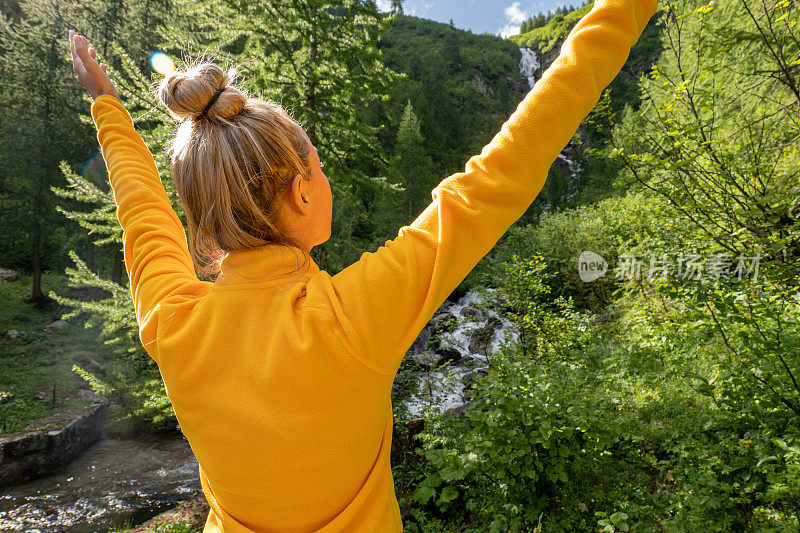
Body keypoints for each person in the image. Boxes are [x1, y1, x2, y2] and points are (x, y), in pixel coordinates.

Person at [68, 0, 659, 530]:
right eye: (317, 168)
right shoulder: (351, 317)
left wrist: (106, 105)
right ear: (302, 194)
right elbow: (502, 172)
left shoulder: (173, 322)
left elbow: (141, 212)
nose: (326, 182)